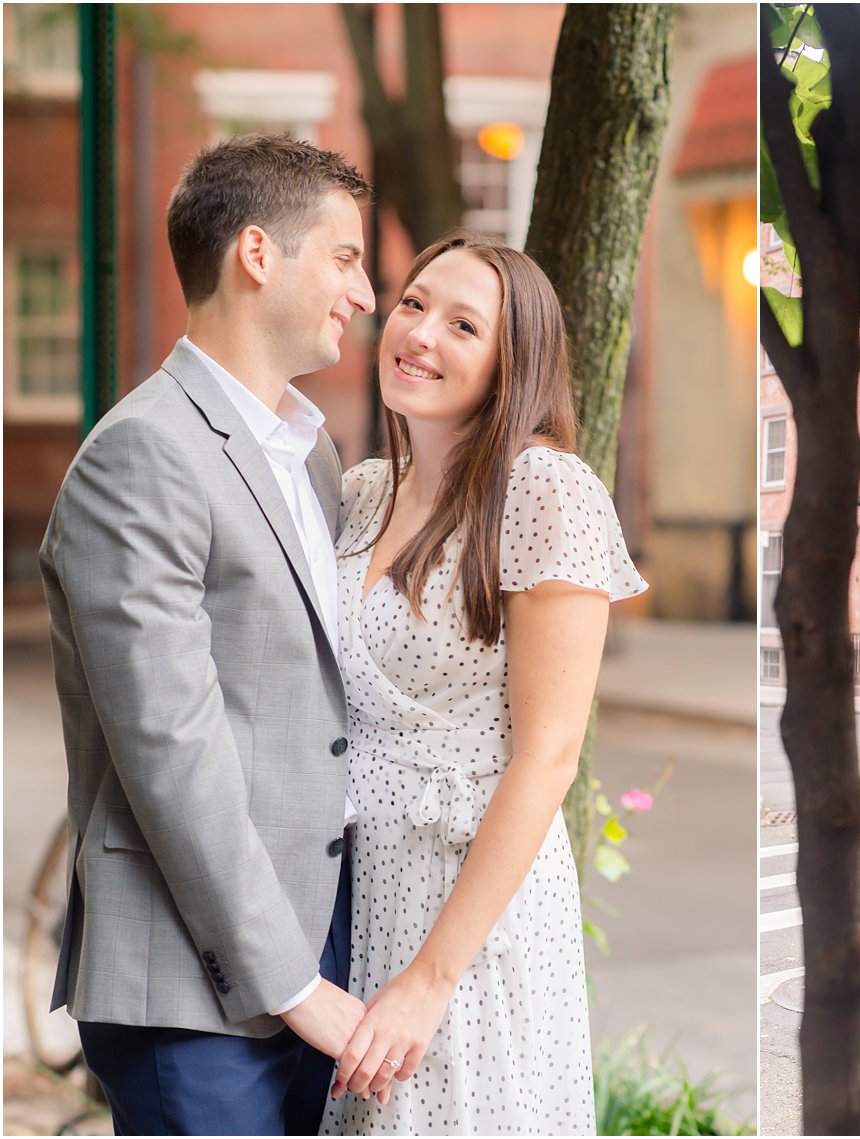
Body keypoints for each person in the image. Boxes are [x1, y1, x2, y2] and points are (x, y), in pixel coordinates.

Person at [40, 133, 377, 1134]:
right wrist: (288, 981)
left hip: (315, 949)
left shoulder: (310, 456)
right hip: (191, 985)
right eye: (346, 258)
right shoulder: (142, 456)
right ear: (259, 255)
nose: (362, 292)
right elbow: (169, 747)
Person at [318, 231, 647, 1136]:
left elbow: (548, 757)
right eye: (415, 304)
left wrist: (430, 979)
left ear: (511, 364)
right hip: (361, 887)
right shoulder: (361, 491)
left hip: (472, 912)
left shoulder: (544, 489)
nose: (419, 333)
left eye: (464, 324)